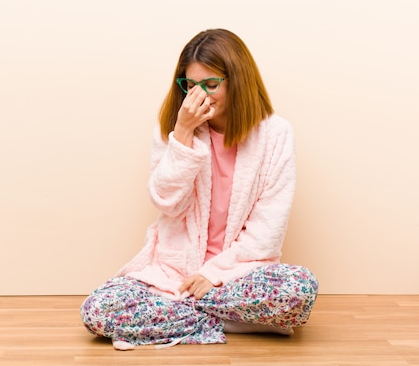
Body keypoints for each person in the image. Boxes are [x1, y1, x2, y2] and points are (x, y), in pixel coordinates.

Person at [80, 28, 318, 350]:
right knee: (98, 310)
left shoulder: (275, 134)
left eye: (211, 85)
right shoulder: (173, 131)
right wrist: (183, 134)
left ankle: (181, 318)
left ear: (238, 82)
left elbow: (267, 231)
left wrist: (214, 275)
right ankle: (235, 321)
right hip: (174, 275)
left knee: (299, 289)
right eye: (190, 85)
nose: (199, 95)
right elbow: (167, 204)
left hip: (236, 275)